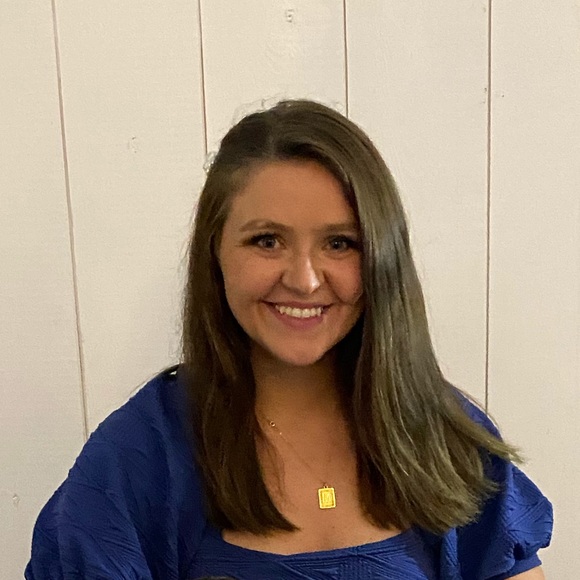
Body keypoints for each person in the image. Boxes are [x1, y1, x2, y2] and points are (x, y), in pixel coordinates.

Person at [25, 100, 553, 579]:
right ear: (215, 252)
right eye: (267, 240)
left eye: (340, 243)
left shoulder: (444, 437)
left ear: (381, 259)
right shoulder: (138, 455)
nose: (304, 279)